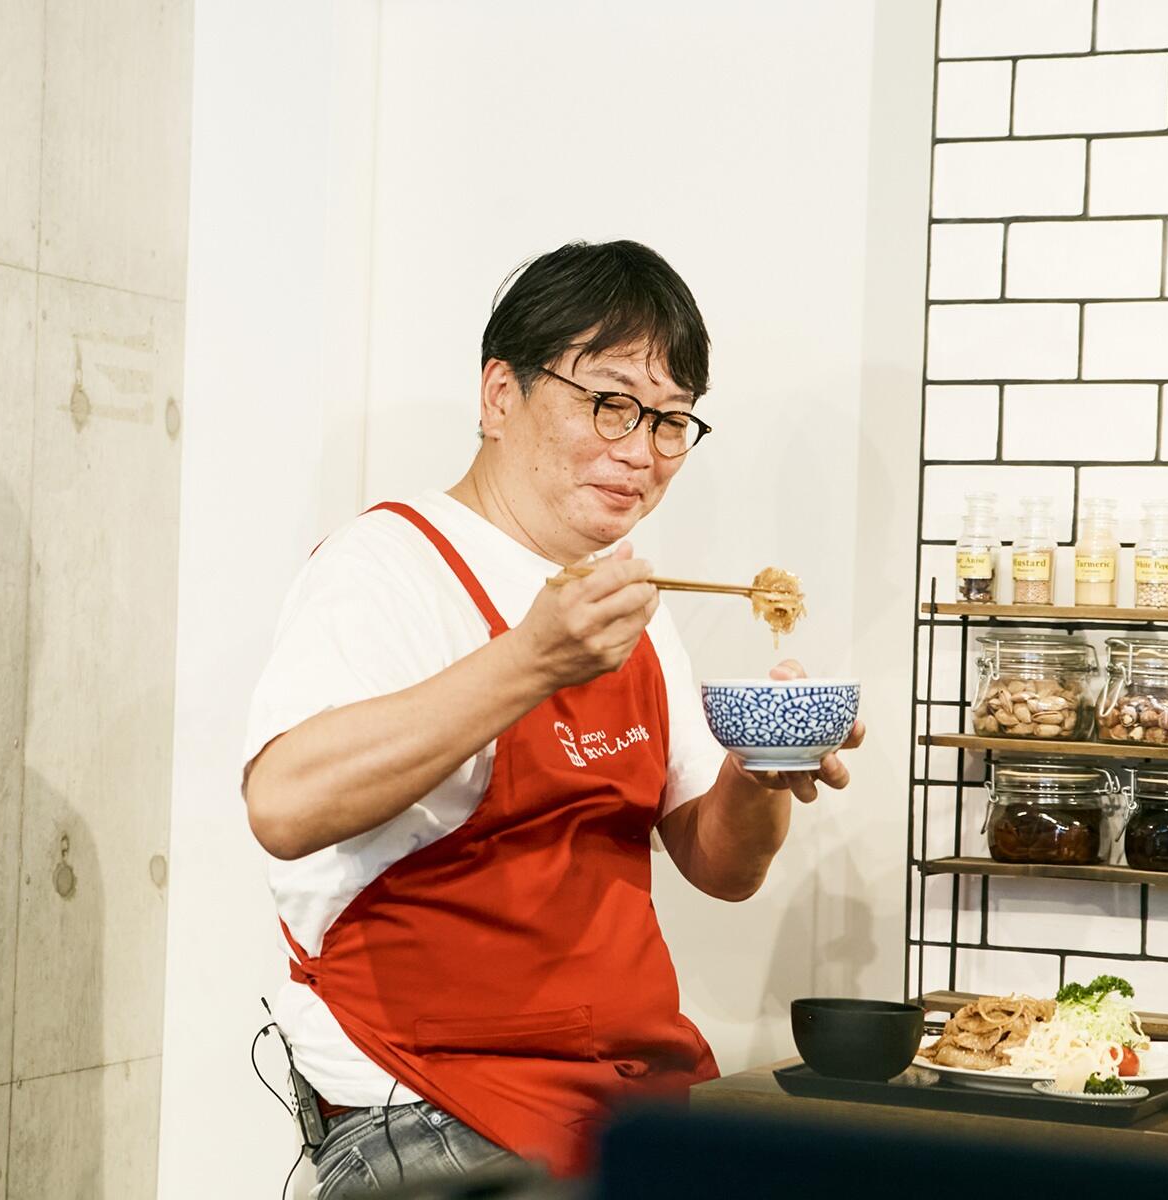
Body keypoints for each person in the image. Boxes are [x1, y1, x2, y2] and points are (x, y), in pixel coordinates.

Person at [242, 239, 864, 1195]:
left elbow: (723, 867)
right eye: (610, 403)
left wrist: (759, 771)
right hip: (433, 1109)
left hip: (624, 1107)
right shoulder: (387, 565)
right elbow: (284, 806)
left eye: (671, 420)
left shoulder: (630, 607)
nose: (642, 451)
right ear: (501, 395)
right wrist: (531, 660)